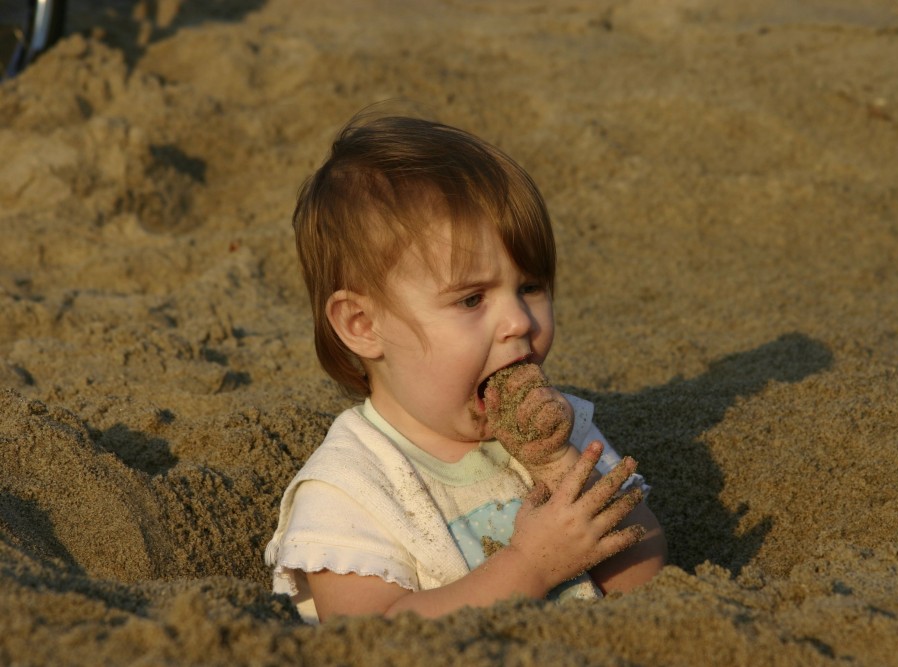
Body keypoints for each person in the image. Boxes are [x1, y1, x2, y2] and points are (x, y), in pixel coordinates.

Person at [265, 113, 667, 622]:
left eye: (530, 288)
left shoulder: (563, 434)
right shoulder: (349, 488)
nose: (517, 321)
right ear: (363, 324)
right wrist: (529, 567)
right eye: (472, 299)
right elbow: (369, 638)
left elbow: (648, 581)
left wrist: (560, 467)